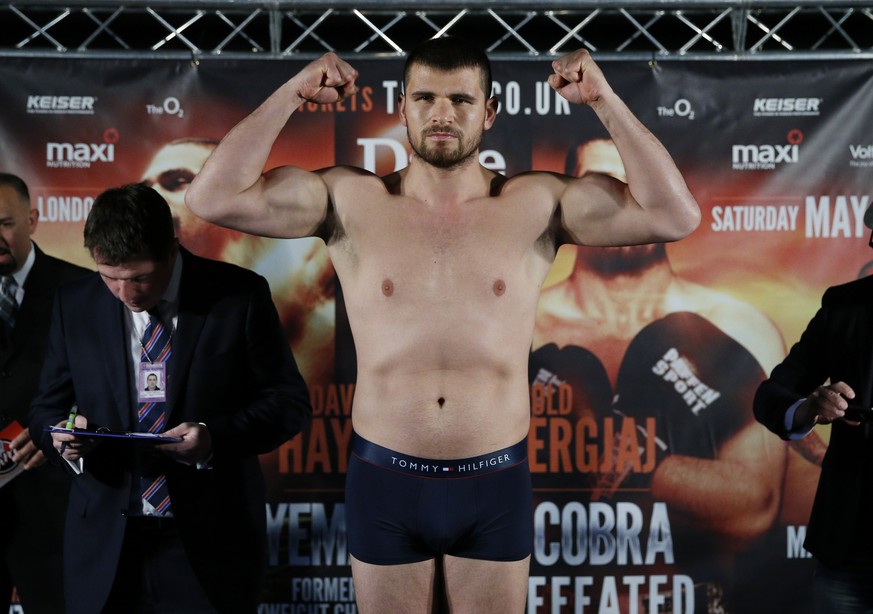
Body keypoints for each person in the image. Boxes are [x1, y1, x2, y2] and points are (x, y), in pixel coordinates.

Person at [185, 37, 700, 612]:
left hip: (494, 481)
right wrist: (291, 95)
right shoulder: (350, 200)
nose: (442, 114)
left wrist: (604, 100)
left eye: (461, 99)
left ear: (490, 112)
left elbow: (673, 213)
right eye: (426, 97)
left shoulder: (535, 205)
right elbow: (214, 198)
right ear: (402, 106)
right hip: (385, 479)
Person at [531, 138, 792, 611]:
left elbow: (754, 510)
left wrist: (622, 454)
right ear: (566, 200)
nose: (626, 202)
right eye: (603, 184)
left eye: (640, 183)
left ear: (668, 193)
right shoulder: (520, 326)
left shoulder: (736, 328)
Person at [28, 183, 312, 613]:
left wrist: (214, 438)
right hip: (105, 545)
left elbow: (288, 403)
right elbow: (45, 409)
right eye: (111, 278)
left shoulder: (237, 295)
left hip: (209, 542)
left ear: (172, 247)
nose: (127, 294)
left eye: (140, 277)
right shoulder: (76, 303)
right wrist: (63, 436)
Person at [753, 204, 873, 613]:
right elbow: (773, 394)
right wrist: (807, 409)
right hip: (849, 552)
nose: (872, 241)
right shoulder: (843, 308)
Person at [141, 136, 335, 387]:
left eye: (177, 182)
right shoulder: (118, 299)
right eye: (144, 189)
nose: (152, 199)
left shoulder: (315, 326)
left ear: (234, 200)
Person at [0, 172, 90, 612]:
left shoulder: (83, 290)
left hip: (52, 506)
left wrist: (60, 426)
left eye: (4, 223)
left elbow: (110, 385)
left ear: (32, 219)